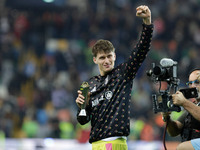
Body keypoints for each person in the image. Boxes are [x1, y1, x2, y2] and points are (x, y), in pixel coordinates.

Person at [75, 5, 153, 150]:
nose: (107, 61)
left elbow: (141, 50)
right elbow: (82, 120)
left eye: (109, 56)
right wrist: (82, 107)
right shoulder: (89, 84)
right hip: (95, 145)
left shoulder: (123, 74)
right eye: (102, 57)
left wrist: (147, 23)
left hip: (114, 143)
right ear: (95, 60)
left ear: (115, 56)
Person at [162, 68, 200, 150]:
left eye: (197, 82)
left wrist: (184, 102)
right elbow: (174, 132)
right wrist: (167, 118)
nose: (193, 86)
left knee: (182, 148)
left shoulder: (188, 105)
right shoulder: (192, 107)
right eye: (190, 83)